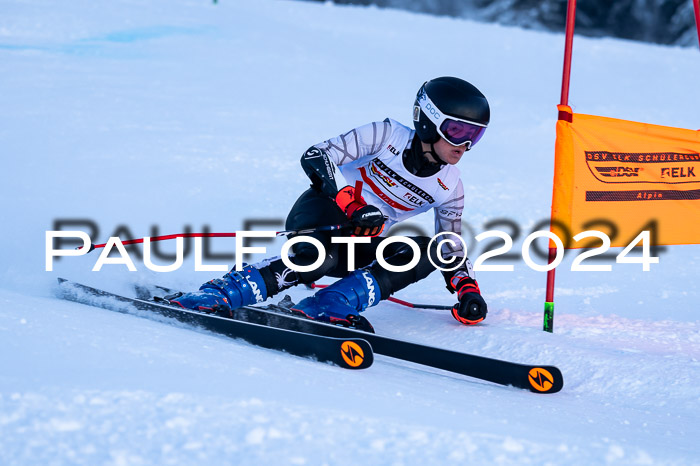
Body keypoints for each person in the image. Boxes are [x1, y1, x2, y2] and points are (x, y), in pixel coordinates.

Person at [168, 76, 490, 330]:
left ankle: (330, 303)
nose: (463, 144)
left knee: (424, 249)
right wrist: (351, 204)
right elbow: (317, 155)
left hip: (362, 243)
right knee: (318, 256)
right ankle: (218, 293)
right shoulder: (386, 135)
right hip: (323, 214)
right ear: (428, 120)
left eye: (474, 136)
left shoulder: (449, 186)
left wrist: (467, 289)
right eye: (456, 130)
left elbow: (450, 246)